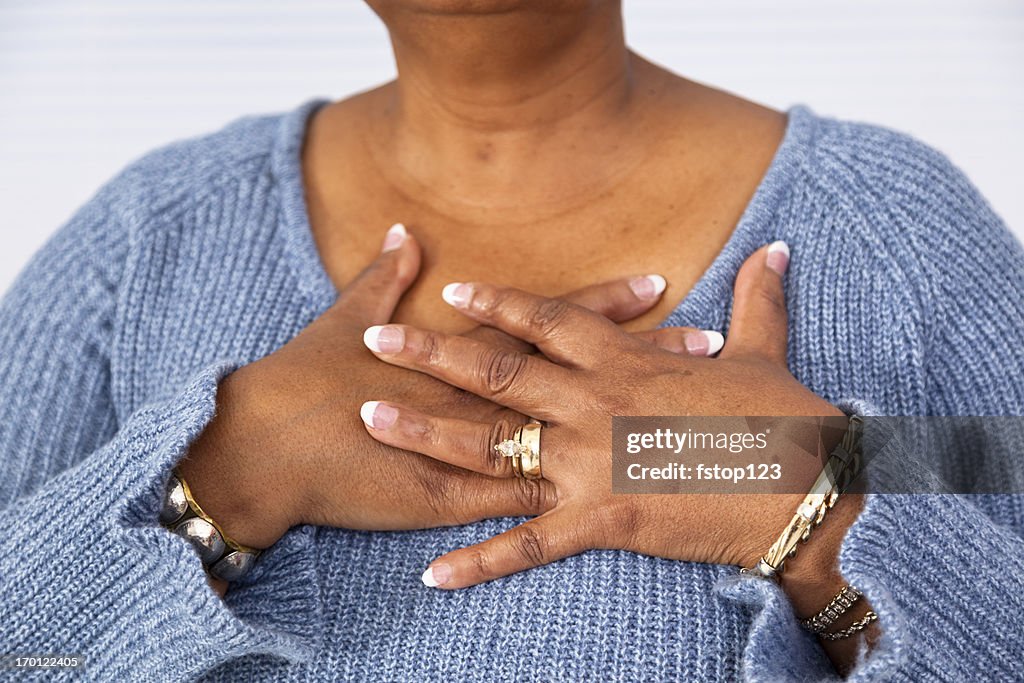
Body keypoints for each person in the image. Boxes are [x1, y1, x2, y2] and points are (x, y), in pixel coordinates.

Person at [2, 1, 1022, 681]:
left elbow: (991, 497)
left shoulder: (895, 233)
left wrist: (796, 491)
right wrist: (226, 473)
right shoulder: (147, 241)